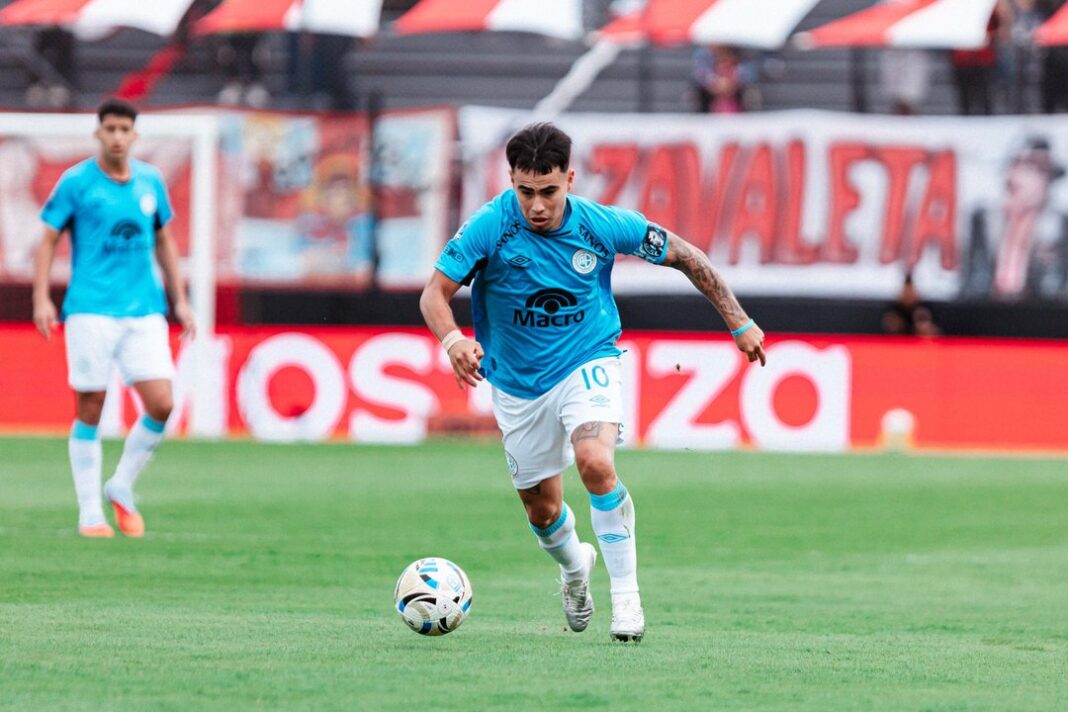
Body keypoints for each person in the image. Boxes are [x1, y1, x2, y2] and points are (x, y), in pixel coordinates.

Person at [419, 123, 766, 642]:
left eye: (549, 191)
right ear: (512, 181)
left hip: (589, 360)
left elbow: (688, 256)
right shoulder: (489, 226)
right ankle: (574, 568)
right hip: (517, 385)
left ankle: (627, 602)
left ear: (570, 180)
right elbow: (433, 294)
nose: (537, 205)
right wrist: (453, 341)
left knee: (596, 463)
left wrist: (739, 322)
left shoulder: (602, 226)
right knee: (542, 511)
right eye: (525, 192)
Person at [31, 98, 195, 538]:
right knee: (91, 406)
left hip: (144, 310)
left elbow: (164, 241)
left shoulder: (150, 182)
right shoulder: (76, 183)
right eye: (111, 129)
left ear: (135, 135)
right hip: (90, 309)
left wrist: (180, 299)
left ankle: (120, 484)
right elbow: (46, 240)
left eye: (126, 130)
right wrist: (42, 297)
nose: (118, 137)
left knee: (162, 402)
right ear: (98, 133)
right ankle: (89, 512)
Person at [960, 136, 1068, 299]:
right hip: (986, 312)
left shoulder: (1059, 225)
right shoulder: (984, 219)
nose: (1016, 178)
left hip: (1040, 315)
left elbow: (1056, 285)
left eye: (1031, 170)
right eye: (1015, 167)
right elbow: (972, 277)